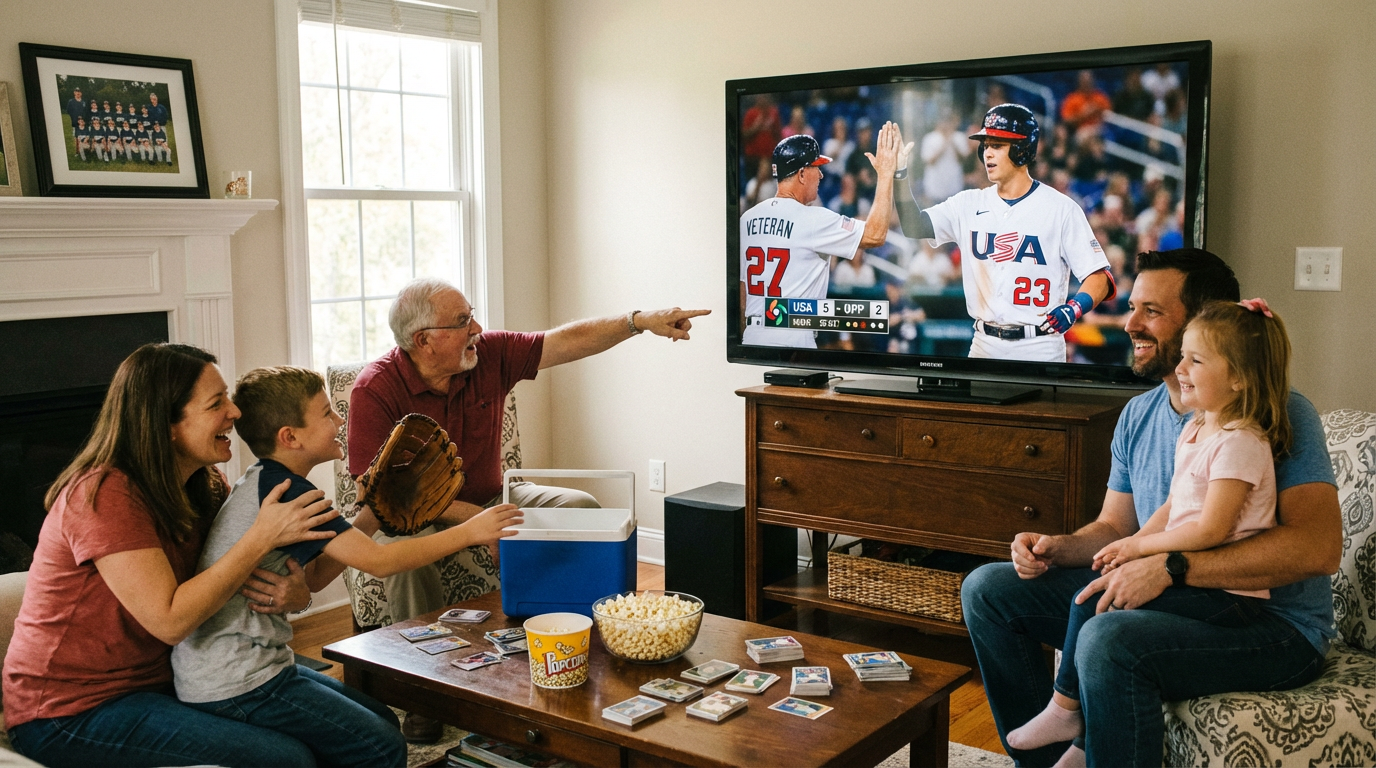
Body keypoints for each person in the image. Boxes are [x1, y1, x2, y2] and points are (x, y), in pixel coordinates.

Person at [960, 248, 1341, 768]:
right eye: (1133, 306)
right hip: (1175, 591)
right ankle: (1049, 760)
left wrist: (1169, 567)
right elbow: (1118, 526)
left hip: (1272, 625)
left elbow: (1317, 548)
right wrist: (1058, 548)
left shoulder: (1274, 411)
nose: (1130, 322)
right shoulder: (1139, 415)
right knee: (988, 589)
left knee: (1109, 638)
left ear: (1204, 322)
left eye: (1152, 312)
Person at [348, 279, 709, 742]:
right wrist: (475, 526)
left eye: (472, 315)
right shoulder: (375, 389)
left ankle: (571, 639)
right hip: (408, 514)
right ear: (423, 340)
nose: (477, 327)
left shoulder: (488, 355)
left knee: (579, 506)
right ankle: (425, 691)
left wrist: (638, 322)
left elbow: (566, 341)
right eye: (462, 323)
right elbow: (381, 498)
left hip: (493, 497)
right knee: (406, 556)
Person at [3, 343, 340, 767]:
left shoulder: (206, 483)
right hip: (69, 711)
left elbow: (242, 574)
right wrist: (259, 538)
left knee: (363, 725)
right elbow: (170, 620)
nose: (235, 413)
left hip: (176, 680)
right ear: (166, 425)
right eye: (217, 404)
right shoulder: (105, 495)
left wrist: (297, 593)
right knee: (285, 759)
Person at [172, 366, 525, 767]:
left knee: (379, 720)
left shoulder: (265, 480)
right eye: (326, 414)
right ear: (290, 436)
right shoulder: (288, 492)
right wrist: (471, 530)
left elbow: (319, 575)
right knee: (379, 746)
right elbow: (380, 562)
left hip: (244, 667)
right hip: (236, 679)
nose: (339, 420)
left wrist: (373, 509)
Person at [1006, 298, 1294, 760]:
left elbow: (1210, 530)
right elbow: (1172, 506)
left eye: (1196, 360)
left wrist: (1147, 551)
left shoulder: (1242, 441)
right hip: (1190, 571)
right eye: (1183, 355)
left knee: (1107, 608)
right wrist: (1130, 544)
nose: (1180, 368)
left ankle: (1068, 717)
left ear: (1239, 378)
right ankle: (1074, 726)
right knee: (1093, 595)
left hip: (1230, 597)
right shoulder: (1198, 430)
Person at [893, 104, 1115, 363]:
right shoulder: (968, 203)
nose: (987, 153)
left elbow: (1100, 277)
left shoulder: (1061, 209)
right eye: (985, 145)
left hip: (1040, 345)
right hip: (983, 344)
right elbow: (914, 225)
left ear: (1022, 150)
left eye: (997, 145)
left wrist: (1074, 308)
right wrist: (899, 175)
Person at [739, 129, 899, 348]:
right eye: (816, 168)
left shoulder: (747, 218)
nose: (821, 175)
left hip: (752, 336)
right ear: (802, 174)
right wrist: (886, 175)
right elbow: (876, 234)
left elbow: (743, 294)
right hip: (792, 337)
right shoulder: (812, 218)